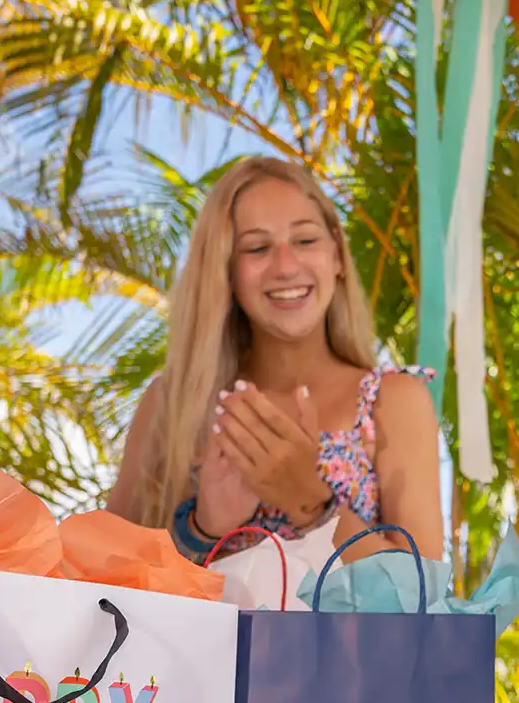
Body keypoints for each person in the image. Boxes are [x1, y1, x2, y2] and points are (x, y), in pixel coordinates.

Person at [109, 157, 442, 562]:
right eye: (257, 247)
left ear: (337, 254)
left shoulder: (393, 401)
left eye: (305, 241)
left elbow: (425, 601)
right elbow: (111, 587)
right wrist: (202, 529)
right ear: (226, 272)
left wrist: (312, 505)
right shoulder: (173, 404)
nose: (286, 266)